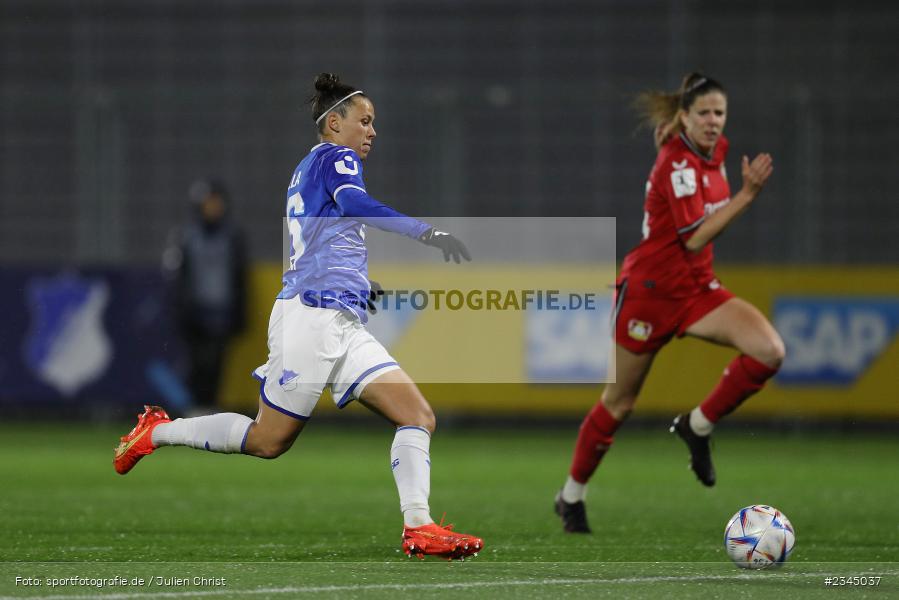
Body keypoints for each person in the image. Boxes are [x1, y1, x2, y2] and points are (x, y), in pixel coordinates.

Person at [116, 72, 483, 560]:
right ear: (334, 123)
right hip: (311, 319)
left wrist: (356, 286)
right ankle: (157, 431)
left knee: (417, 415)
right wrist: (425, 233)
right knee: (268, 440)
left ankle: (419, 526)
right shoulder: (337, 157)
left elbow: (322, 239)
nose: (372, 132)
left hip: (338, 318)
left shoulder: (309, 167)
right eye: (364, 121)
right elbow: (353, 205)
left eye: (374, 123)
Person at [555, 73, 782, 533]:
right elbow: (694, 237)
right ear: (685, 117)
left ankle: (697, 425)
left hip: (698, 290)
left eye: (719, 113)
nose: (714, 122)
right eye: (704, 113)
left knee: (769, 351)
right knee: (619, 403)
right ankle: (571, 495)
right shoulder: (677, 164)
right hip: (650, 294)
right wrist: (747, 195)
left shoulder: (711, 152)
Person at [162, 179, 248, 411]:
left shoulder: (232, 236)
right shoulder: (186, 236)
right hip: (195, 313)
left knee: (216, 366)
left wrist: (240, 314)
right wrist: (181, 310)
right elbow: (177, 277)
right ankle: (193, 409)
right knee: (196, 364)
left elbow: (240, 277)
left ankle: (209, 409)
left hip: (221, 312)